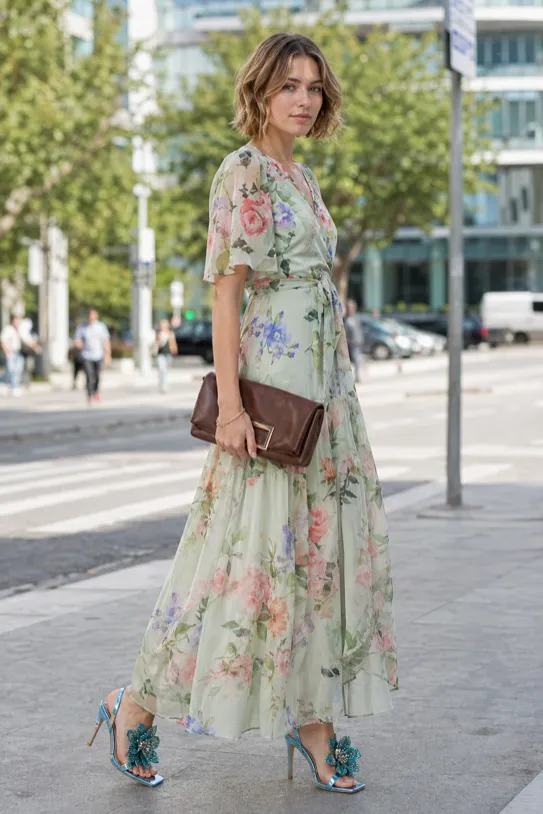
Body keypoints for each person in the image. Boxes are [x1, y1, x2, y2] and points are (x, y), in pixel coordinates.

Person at [89, 33, 397, 795]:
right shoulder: (244, 171)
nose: (303, 97)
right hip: (270, 398)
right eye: (288, 84)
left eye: (314, 87)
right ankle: (133, 704)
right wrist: (230, 407)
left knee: (315, 565)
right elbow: (225, 294)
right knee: (237, 564)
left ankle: (313, 718)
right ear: (259, 91)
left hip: (325, 398)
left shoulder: (302, 174)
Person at [74, 309, 111, 404]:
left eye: (93, 315)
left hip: (98, 355)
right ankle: (90, 394)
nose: (91, 317)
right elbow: (77, 339)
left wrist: (108, 354)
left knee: (97, 375)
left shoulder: (101, 327)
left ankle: (96, 391)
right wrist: (79, 344)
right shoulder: (82, 327)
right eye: (90, 315)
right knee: (89, 375)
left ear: (96, 316)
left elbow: (106, 341)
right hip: (86, 355)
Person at [0, 315, 24, 397]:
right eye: (17, 321)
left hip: (18, 352)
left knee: (17, 370)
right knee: (11, 371)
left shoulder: (17, 330)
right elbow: (3, 341)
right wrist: (7, 353)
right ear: (13, 321)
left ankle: (6, 384)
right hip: (11, 352)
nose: (18, 323)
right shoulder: (8, 329)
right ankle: (14, 387)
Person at [153, 318, 178, 393]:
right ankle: (163, 386)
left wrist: (174, 350)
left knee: (166, 370)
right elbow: (155, 344)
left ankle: (164, 384)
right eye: (162, 325)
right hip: (160, 354)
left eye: (164, 325)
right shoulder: (158, 334)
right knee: (162, 369)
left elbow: (173, 343)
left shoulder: (170, 333)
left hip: (168, 354)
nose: (163, 326)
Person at [344, 299, 364, 383]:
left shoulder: (356, 318)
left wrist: (361, 339)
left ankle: (357, 376)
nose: (349, 309)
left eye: (350, 307)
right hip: (348, 343)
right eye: (348, 307)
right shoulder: (345, 319)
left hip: (356, 342)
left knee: (357, 360)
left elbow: (359, 330)